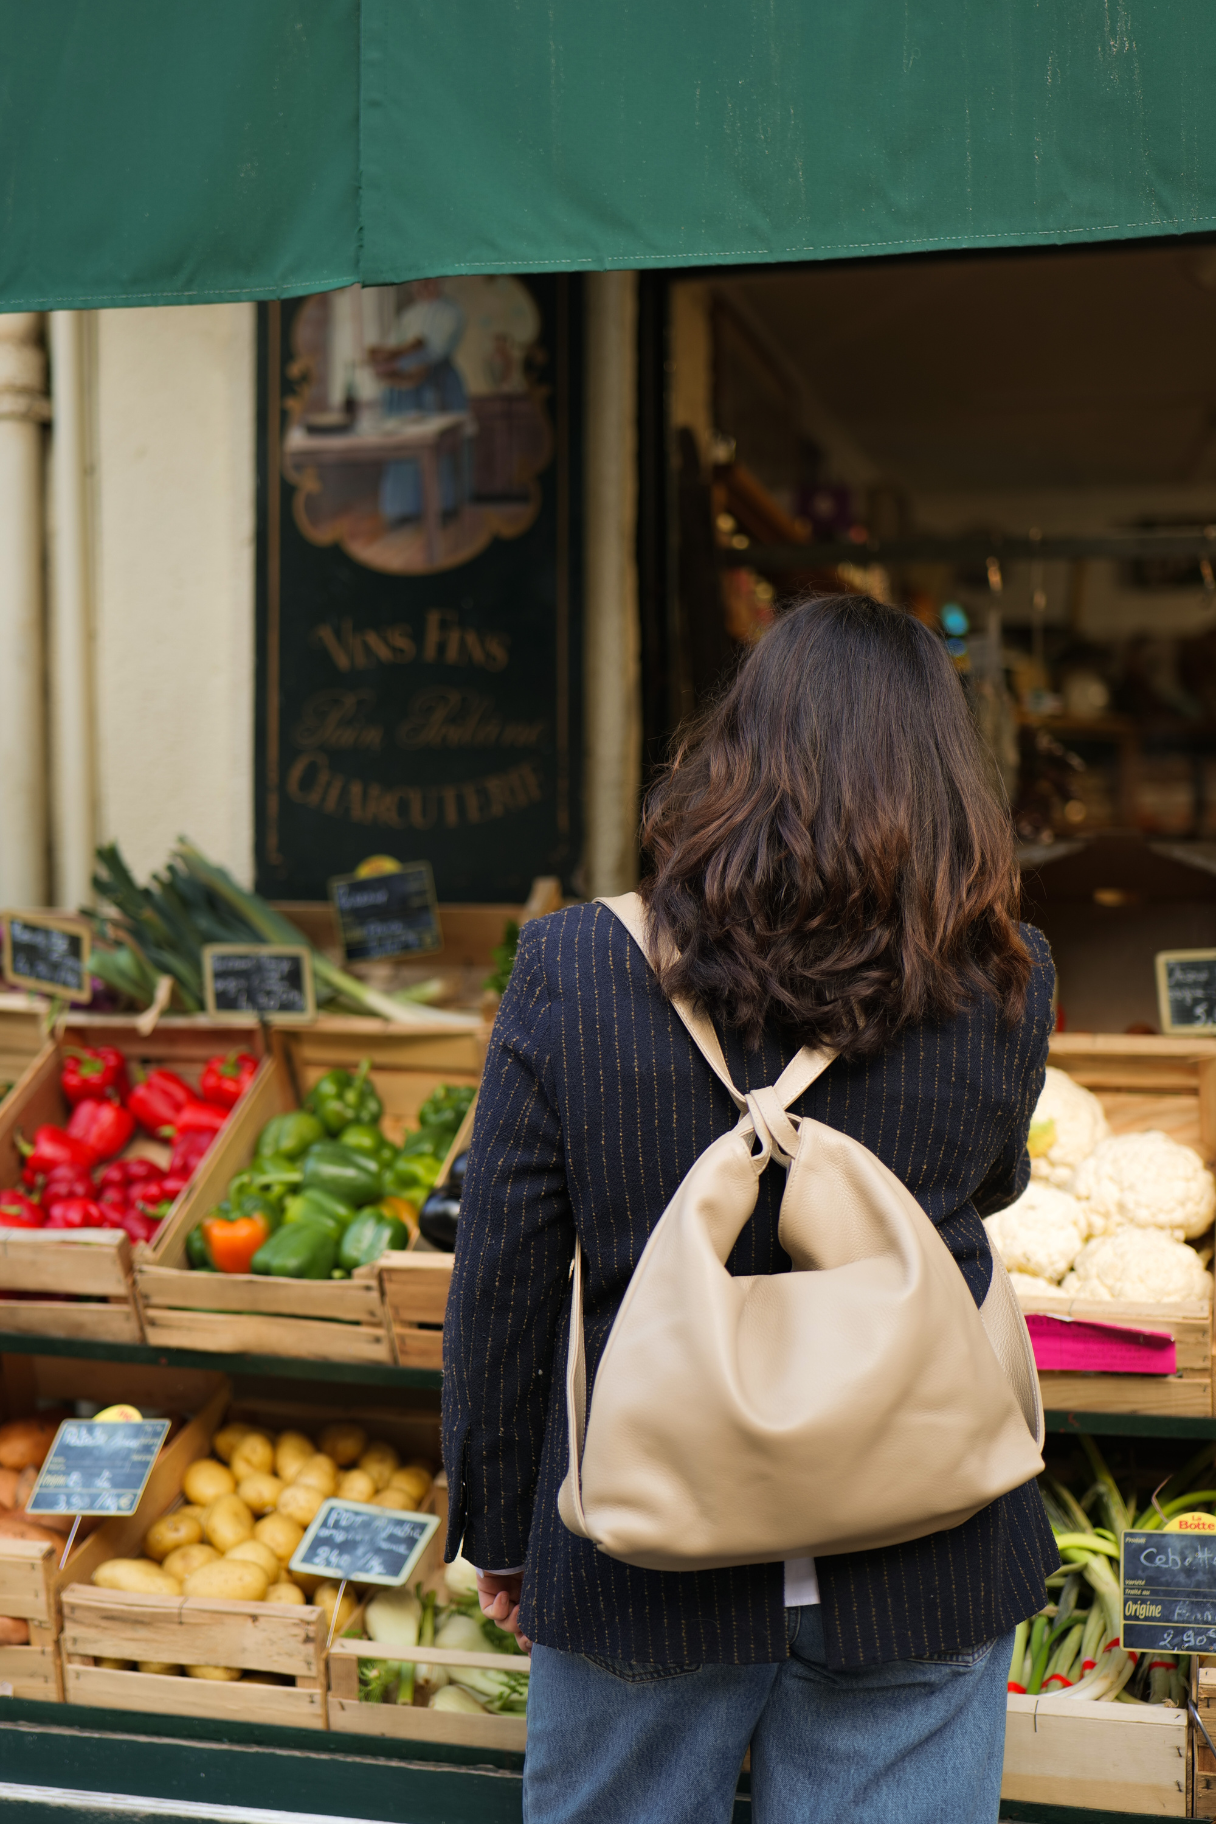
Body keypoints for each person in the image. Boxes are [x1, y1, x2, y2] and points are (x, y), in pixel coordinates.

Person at [442, 594, 1058, 1824]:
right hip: (923, 1544)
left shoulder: (577, 965)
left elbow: (502, 1273)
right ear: (951, 777)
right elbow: (990, 1186)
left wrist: (500, 1527)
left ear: (730, 750)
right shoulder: (1004, 971)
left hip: (642, 1549)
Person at [369, 279, 470, 524]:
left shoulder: (451, 312)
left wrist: (400, 360)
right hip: (405, 389)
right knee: (403, 445)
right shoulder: (407, 316)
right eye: (419, 282)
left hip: (438, 383)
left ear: (439, 282)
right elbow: (392, 345)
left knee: (438, 446)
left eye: (430, 281)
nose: (424, 286)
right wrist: (387, 361)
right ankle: (402, 510)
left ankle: (442, 507)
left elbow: (437, 349)